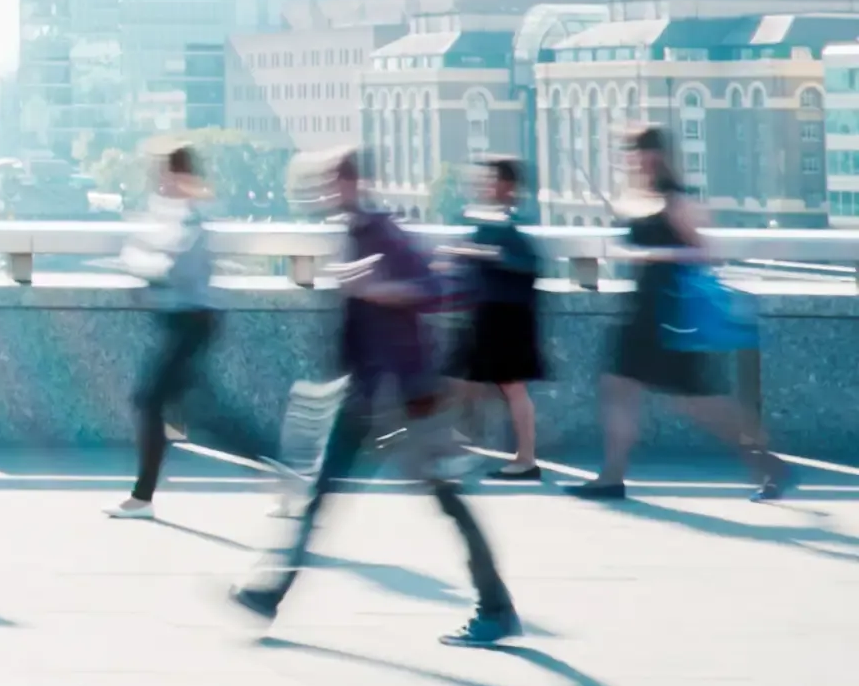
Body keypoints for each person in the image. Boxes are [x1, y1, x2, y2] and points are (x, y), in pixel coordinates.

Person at [233, 150, 519, 647]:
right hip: (368, 398)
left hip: (407, 400)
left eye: (332, 183)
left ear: (354, 182)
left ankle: (496, 606)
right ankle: (271, 592)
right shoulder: (354, 232)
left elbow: (431, 289)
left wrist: (376, 286)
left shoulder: (384, 232)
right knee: (321, 497)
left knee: (447, 500)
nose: (325, 193)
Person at [571, 125, 787, 502]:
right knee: (617, 386)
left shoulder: (676, 200)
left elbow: (707, 253)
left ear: (657, 154)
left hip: (670, 313)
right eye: (630, 152)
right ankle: (611, 476)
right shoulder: (644, 196)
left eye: (638, 151)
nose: (633, 159)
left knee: (698, 401)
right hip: (642, 309)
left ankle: (768, 463)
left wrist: (658, 254)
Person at [108, 143, 218, 519]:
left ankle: (142, 497)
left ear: (179, 176)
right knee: (205, 412)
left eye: (165, 175)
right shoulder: (177, 213)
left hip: (191, 323)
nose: (160, 182)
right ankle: (281, 475)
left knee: (147, 399)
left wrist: (139, 264)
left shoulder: (191, 216)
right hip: (182, 322)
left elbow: (174, 268)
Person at [446, 156, 548, 482]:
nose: (483, 185)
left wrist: (478, 253)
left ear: (506, 185)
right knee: (462, 381)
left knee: (510, 387)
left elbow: (525, 261)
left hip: (507, 314)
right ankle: (460, 447)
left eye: (490, 179)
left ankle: (526, 459)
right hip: (487, 312)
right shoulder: (489, 218)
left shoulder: (513, 220)